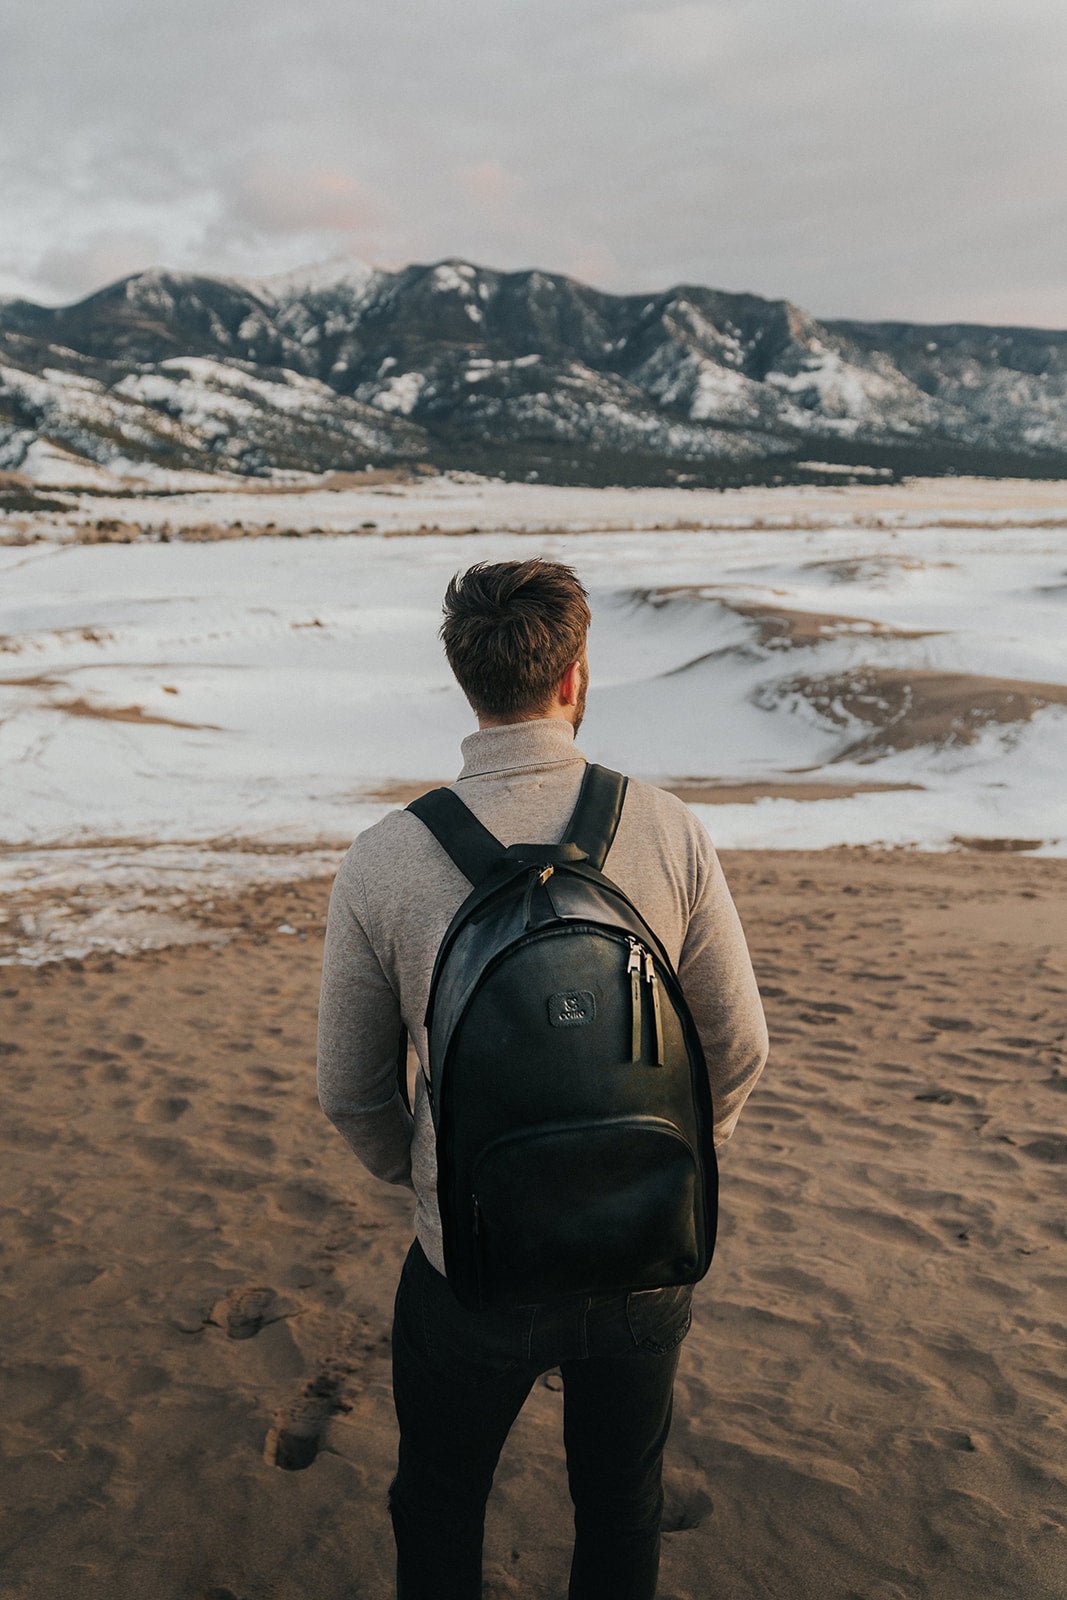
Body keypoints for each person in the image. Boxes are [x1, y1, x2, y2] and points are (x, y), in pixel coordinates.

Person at [316, 558, 768, 1600]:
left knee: (439, 1504)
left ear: (465, 682)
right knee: (620, 1504)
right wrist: (665, 1158)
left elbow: (350, 1089)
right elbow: (738, 1044)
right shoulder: (667, 828)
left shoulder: (384, 857)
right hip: (641, 1251)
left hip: (473, 1264)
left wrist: (433, 1181)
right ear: (573, 676)